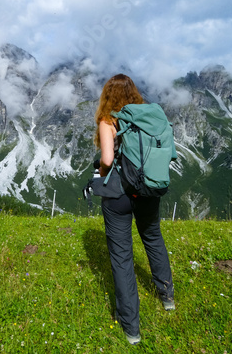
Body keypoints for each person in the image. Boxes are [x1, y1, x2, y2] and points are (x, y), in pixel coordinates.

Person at [94, 74, 174, 346]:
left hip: (118, 195)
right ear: (134, 93)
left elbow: (106, 159)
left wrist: (101, 173)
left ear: (107, 94)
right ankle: (167, 297)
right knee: (153, 238)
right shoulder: (148, 116)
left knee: (122, 256)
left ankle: (131, 328)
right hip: (149, 189)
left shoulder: (109, 119)